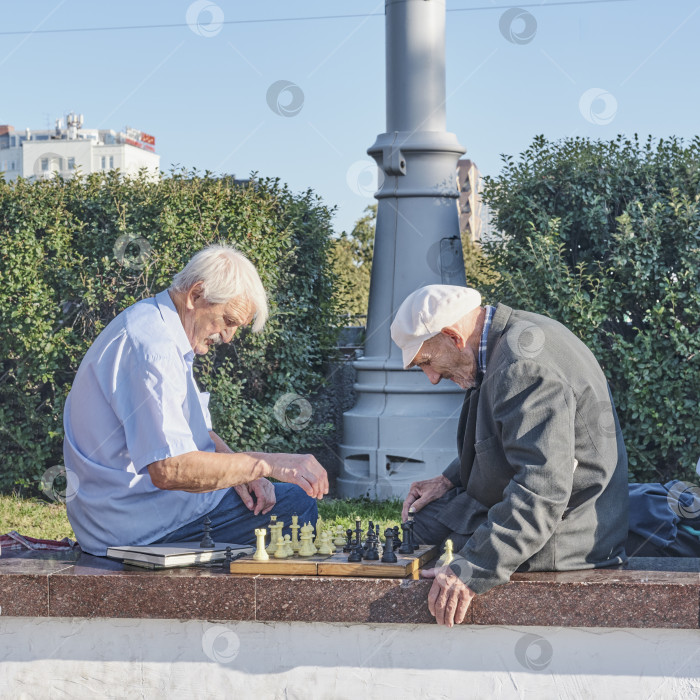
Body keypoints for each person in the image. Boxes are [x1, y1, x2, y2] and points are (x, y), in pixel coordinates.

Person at [63, 244, 328, 556]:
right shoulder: (153, 350)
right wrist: (265, 464)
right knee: (296, 506)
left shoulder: (158, 327)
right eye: (227, 320)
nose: (228, 337)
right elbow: (169, 469)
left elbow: (196, 433)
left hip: (134, 511)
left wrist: (243, 475)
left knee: (279, 500)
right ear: (195, 295)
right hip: (138, 525)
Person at [390, 285, 628, 627]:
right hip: (557, 506)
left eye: (426, 361)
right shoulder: (503, 341)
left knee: (428, 538)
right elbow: (512, 439)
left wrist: (471, 569)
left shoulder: (522, 366)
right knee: (424, 520)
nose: (431, 378)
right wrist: (448, 480)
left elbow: (542, 490)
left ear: (453, 336)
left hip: (569, 531)